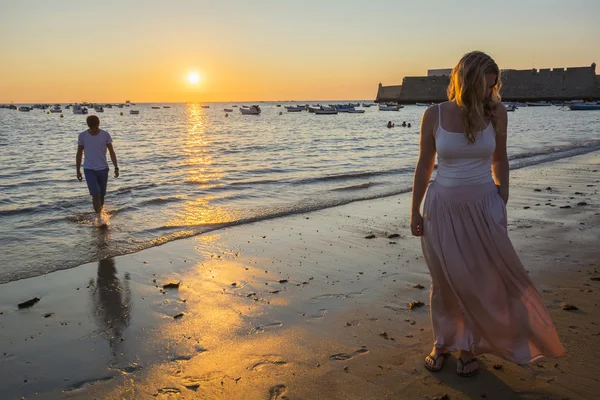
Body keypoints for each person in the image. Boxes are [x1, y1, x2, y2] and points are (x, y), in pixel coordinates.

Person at [410, 51, 565, 377]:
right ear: (466, 81)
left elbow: (500, 159)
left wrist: (502, 198)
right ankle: (442, 343)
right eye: (484, 84)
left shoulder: (496, 112)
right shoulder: (433, 115)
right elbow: (425, 166)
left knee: (482, 281)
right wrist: (415, 210)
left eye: (493, 85)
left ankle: (468, 347)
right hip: (441, 210)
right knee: (445, 282)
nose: (489, 91)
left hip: (484, 207)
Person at [76, 115, 119, 213]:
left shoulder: (105, 135)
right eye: (91, 128)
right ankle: (99, 217)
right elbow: (79, 153)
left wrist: (116, 167)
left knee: (102, 194)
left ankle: (101, 213)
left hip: (103, 169)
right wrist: (78, 170)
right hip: (89, 169)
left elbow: (111, 151)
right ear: (88, 126)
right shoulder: (82, 136)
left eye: (95, 127)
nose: (94, 130)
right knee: (95, 194)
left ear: (98, 124)